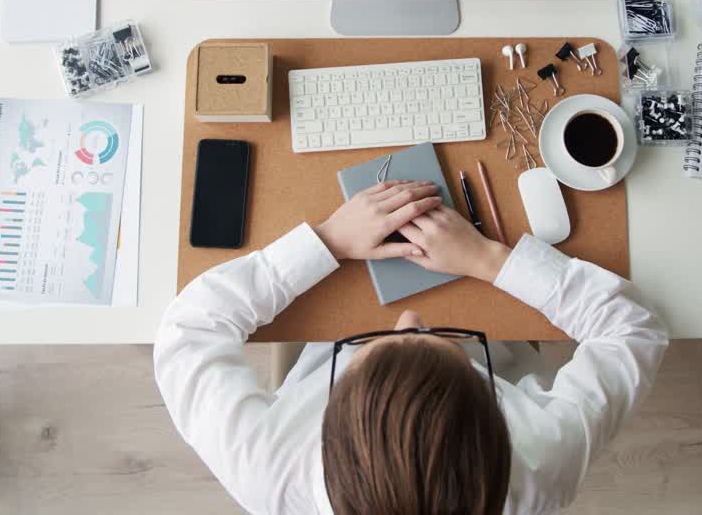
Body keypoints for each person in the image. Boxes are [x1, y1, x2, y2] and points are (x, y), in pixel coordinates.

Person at [155, 179, 668, 515]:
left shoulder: (264, 465)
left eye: (375, 345)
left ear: (328, 419)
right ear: (498, 419)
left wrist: (327, 242)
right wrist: (490, 259)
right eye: (439, 342)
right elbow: (633, 330)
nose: (410, 318)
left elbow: (187, 331)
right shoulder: (542, 463)